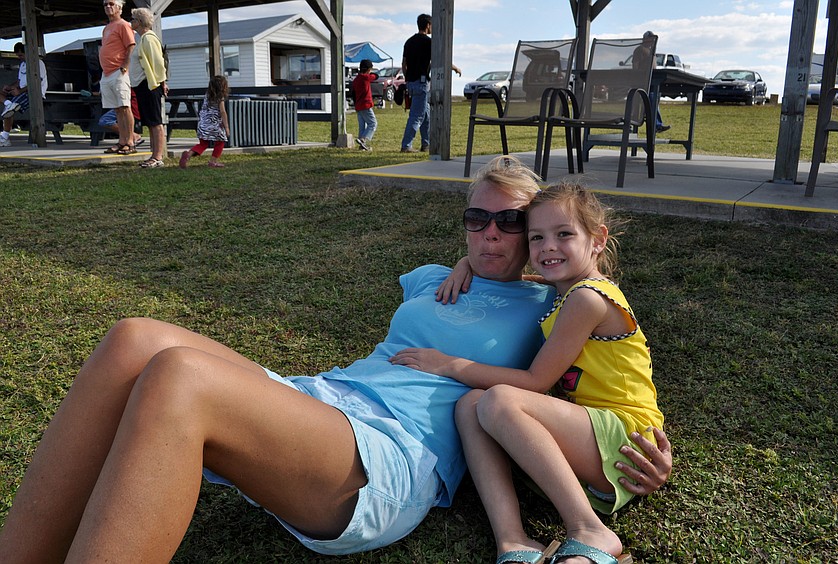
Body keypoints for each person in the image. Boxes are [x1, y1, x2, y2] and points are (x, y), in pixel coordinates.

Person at [0, 156, 670, 562]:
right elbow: (473, 256)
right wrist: (470, 260)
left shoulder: (551, 306)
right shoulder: (435, 275)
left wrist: (643, 449)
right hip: (321, 400)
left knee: (179, 377)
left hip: (387, 457)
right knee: (134, 337)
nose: (491, 233)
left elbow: (584, 386)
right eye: (476, 219)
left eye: (511, 223)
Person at [390, 177, 664, 563]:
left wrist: (448, 363)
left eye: (564, 234)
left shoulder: (587, 299)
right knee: (470, 404)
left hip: (625, 436)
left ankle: (590, 530)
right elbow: (532, 278)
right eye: (536, 238)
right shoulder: (570, 289)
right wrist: (467, 261)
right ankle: (513, 540)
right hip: (593, 437)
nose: (548, 247)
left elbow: (536, 382)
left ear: (598, 239)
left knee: (499, 399)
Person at [400, 13, 462, 153]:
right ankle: (406, 145)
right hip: (422, 83)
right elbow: (441, 59)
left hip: (411, 82)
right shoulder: (429, 43)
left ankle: (426, 144)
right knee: (417, 116)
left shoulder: (409, 42)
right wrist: (455, 68)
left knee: (426, 114)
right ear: (428, 25)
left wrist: (407, 78)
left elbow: (404, 64)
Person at [129, 7, 168, 168]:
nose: (131, 21)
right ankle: (153, 154)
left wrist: (162, 83)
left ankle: (158, 157)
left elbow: (158, 64)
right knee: (150, 121)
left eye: (132, 19)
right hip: (141, 85)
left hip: (150, 85)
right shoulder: (142, 39)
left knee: (155, 121)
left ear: (139, 22)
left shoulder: (149, 39)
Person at [100, 0, 137, 155]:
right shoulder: (107, 28)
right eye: (105, 5)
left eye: (111, 3)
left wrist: (125, 66)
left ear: (120, 8)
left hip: (119, 72)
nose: (108, 7)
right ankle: (122, 141)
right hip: (106, 73)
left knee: (124, 106)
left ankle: (130, 142)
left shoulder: (123, 25)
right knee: (117, 109)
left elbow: (131, 45)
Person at [0, 42, 48, 148]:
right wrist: (10, 87)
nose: (19, 58)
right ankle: (8, 103)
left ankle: (5, 136)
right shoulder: (22, 64)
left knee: (10, 109)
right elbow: (19, 81)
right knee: (5, 99)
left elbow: (36, 81)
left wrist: (20, 91)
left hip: (33, 93)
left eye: (21, 55)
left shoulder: (38, 63)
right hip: (21, 91)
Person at [179, 75, 230, 169]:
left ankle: (188, 154)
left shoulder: (207, 95)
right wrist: (226, 127)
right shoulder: (220, 97)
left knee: (203, 144)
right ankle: (213, 161)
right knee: (221, 141)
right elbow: (222, 112)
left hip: (203, 123)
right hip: (214, 124)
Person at [632, 31, 669, 134]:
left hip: (652, 81)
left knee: (655, 97)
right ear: (645, 39)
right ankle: (657, 125)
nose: (652, 41)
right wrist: (637, 78)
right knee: (652, 98)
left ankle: (654, 122)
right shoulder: (640, 49)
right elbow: (635, 65)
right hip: (643, 82)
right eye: (650, 38)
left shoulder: (651, 51)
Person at [352, 58, 378, 151]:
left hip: (358, 105)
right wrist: (371, 73)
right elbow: (376, 76)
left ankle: (361, 146)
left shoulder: (356, 80)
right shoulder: (366, 77)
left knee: (362, 126)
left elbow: (353, 94)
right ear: (368, 69)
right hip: (366, 105)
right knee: (373, 124)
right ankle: (363, 139)